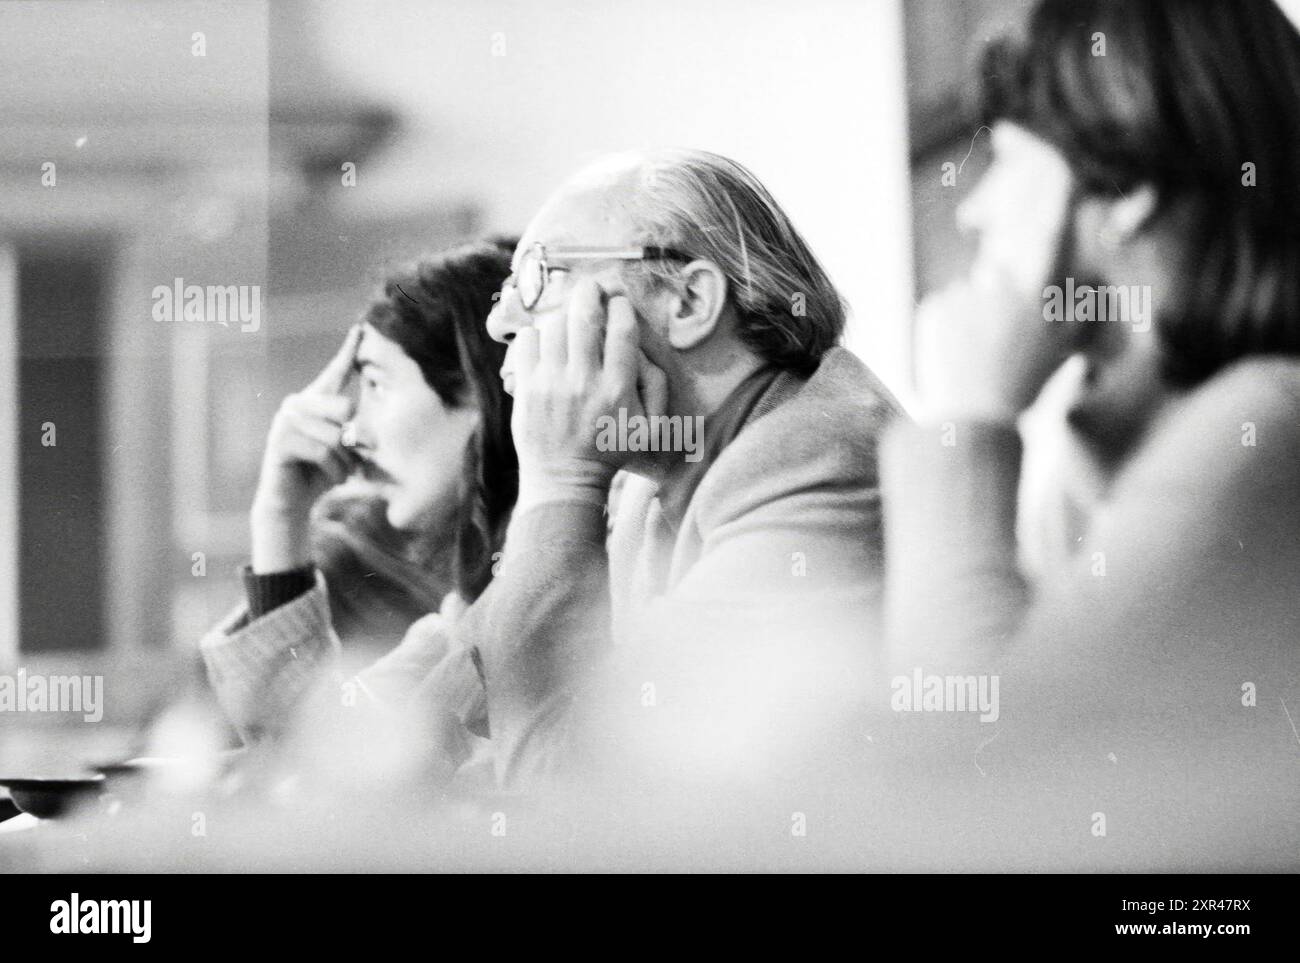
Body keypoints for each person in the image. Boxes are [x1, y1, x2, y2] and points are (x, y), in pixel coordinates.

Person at [879, 0, 1300, 863]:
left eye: (1007, 160)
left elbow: (982, 782)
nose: (973, 210)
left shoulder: (1264, 422)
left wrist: (968, 421)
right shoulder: (1101, 417)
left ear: (1125, 185)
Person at [412, 149, 906, 788]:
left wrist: (558, 485)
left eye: (539, 275)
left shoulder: (816, 466)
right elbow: (457, 693)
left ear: (688, 300)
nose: (499, 321)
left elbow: (576, 804)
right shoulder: (658, 468)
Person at [199, 240, 517, 747]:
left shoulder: (557, 588)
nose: (354, 432)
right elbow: (320, 759)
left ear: (482, 390)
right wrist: (280, 518)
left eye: (376, 385)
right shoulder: (469, 615)